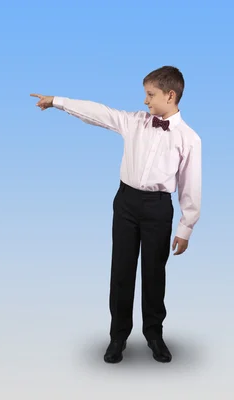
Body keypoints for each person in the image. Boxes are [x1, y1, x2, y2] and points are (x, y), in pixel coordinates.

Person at [30, 65, 201, 364]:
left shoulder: (189, 138)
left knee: (153, 273)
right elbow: (96, 112)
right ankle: (118, 336)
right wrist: (57, 101)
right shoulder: (134, 122)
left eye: (151, 95)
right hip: (125, 203)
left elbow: (190, 185)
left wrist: (186, 227)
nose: (145, 101)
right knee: (121, 272)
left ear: (170, 95)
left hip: (158, 208)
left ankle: (154, 334)